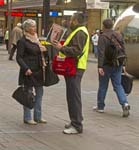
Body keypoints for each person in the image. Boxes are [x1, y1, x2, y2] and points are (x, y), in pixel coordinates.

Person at [52, 13, 90, 134]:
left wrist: (61, 48)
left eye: (72, 20)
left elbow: (76, 50)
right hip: (74, 67)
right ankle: (75, 120)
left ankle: (77, 124)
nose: (70, 22)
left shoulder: (80, 32)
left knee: (73, 96)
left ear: (77, 21)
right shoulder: (78, 31)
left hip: (75, 67)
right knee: (72, 95)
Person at [94, 18, 130, 117]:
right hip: (118, 64)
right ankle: (125, 103)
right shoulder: (118, 35)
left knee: (103, 86)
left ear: (103, 26)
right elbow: (123, 49)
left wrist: (100, 66)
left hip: (106, 65)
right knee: (118, 85)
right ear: (112, 25)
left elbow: (101, 53)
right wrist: (123, 64)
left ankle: (100, 107)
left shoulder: (102, 37)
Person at [16, 19, 47, 125]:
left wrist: (44, 50)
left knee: (39, 93)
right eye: (32, 26)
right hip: (28, 71)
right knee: (28, 94)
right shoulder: (23, 41)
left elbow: (41, 54)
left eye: (35, 26)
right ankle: (27, 117)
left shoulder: (37, 40)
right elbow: (19, 57)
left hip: (38, 70)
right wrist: (26, 68)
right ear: (27, 28)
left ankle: (38, 116)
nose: (34, 28)